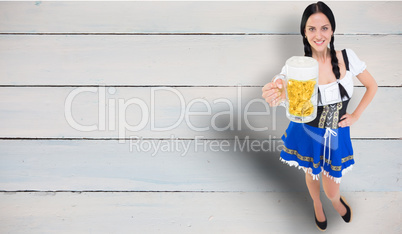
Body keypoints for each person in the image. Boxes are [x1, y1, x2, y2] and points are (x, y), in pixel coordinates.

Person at [262, 1, 377, 231]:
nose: (319, 34)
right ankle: (316, 205)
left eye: (324, 27)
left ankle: (335, 202)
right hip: (308, 131)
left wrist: (355, 116)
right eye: (312, 29)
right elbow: (281, 84)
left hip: (336, 134)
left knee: (332, 188)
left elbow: (372, 86)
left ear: (332, 30)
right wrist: (275, 90)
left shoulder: (347, 56)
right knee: (312, 175)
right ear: (304, 33)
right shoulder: (296, 67)